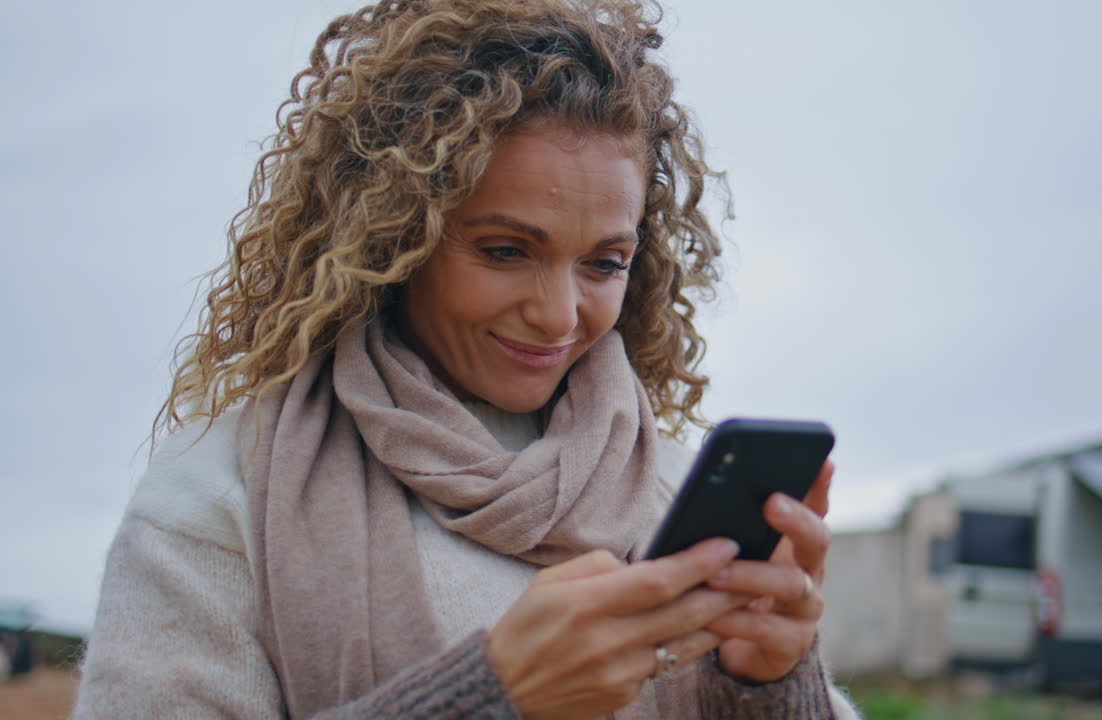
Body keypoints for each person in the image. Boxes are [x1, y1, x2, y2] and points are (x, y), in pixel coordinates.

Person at [73, 1, 860, 717]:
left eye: (604, 263)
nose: (558, 315)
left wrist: (771, 686)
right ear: (394, 236)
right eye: (505, 249)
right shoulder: (222, 493)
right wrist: (489, 698)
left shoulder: (672, 491)